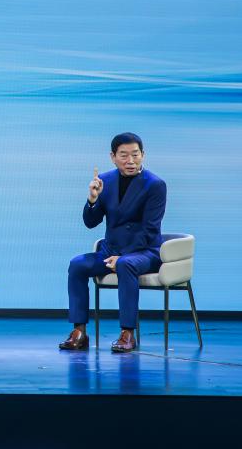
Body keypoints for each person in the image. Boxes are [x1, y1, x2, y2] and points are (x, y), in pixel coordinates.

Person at [60, 132, 166, 353]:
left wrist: (123, 256)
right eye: (124, 155)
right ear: (113, 157)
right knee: (77, 264)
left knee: (126, 264)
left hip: (144, 252)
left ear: (143, 155)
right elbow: (91, 222)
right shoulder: (105, 181)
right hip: (110, 250)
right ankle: (79, 331)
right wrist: (92, 199)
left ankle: (127, 333)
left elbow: (150, 230)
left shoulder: (155, 185)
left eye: (135, 155)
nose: (130, 161)